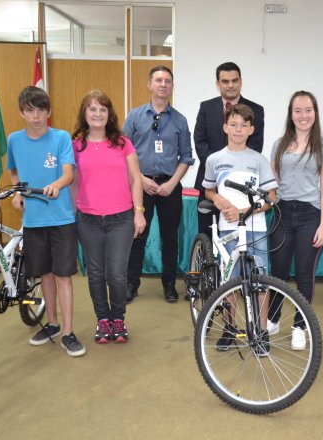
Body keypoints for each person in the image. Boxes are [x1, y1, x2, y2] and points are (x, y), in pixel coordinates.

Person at [7, 86, 85, 357]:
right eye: (30, 111)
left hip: (61, 218)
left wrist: (56, 185)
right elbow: (13, 169)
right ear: (22, 113)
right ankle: (51, 323)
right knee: (46, 275)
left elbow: (68, 174)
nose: (36, 116)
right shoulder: (14, 140)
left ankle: (68, 332)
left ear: (49, 112)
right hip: (33, 221)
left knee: (64, 276)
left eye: (41, 110)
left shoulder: (61, 137)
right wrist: (17, 192)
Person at [72, 90, 146, 344]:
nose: (97, 114)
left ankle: (118, 319)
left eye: (102, 109)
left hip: (121, 219)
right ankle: (102, 321)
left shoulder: (123, 143)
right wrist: (73, 214)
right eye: (92, 109)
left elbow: (136, 179)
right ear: (84, 114)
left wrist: (139, 212)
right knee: (95, 274)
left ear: (109, 114)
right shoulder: (75, 146)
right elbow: (72, 184)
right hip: (88, 220)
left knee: (116, 274)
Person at [203, 103, 277, 355]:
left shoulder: (259, 160)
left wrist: (244, 212)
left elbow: (271, 197)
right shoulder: (214, 159)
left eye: (243, 125)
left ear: (251, 129)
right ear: (225, 127)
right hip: (227, 230)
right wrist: (218, 200)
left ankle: (261, 332)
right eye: (233, 124)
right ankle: (229, 329)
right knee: (230, 282)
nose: (238, 129)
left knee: (260, 281)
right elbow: (209, 189)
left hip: (255, 229)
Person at [267, 91, 323, 351]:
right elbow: (272, 183)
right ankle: (272, 318)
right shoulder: (279, 144)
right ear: (291, 114)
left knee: (305, 275)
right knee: (279, 272)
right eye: (298, 110)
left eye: (308, 110)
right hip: (282, 214)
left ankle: (299, 326)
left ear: (315, 113)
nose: (303, 115)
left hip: (310, 214)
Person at [123, 65, 194, 303]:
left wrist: (173, 183)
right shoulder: (134, 117)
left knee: (170, 237)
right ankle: (131, 284)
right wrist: (140, 180)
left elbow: (186, 157)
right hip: (140, 184)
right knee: (137, 235)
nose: (163, 84)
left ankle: (169, 285)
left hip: (169, 187)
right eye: (159, 80)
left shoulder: (180, 121)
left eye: (168, 81)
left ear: (172, 86)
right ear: (149, 84)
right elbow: (123, 153)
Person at [193, 62, 265, 237]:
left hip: (241, 186)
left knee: (240, 240)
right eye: (225, 81)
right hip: (210, 186)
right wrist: (219, 168)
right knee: (207, 239)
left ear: (241, 81)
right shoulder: (206, 107)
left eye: (234, 80)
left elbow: (255, 144)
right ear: (218, 83)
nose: (230, 85)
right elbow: (199, 141)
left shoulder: (256, 109)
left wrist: (231, 171)